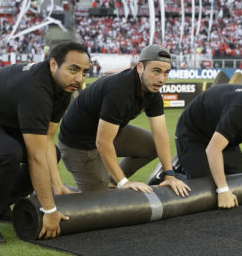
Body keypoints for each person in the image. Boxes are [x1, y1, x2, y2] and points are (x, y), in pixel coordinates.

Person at [0, 41, 92, 244]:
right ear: (53, 64)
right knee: (8, 152)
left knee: (53, 154)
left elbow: (47, 138)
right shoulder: (35, 89)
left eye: (84, 72)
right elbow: (36, 157)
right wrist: (50, 210)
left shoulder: (64, 88)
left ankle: (1, 204)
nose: (79, 78)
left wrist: (57, 185)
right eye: (73, 70)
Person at [57, 44, 191, 197]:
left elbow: (161, 135)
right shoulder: (120, 91)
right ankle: (52, 193)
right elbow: (102, 142)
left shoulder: (153, 92)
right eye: (156, 71)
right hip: (78, 144)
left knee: (152, 145)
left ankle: (112, 181)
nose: (161, 79)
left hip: (107, 133)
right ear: (140, 67)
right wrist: (124, 182)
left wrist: (170, 175)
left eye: (166, 73)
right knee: (100, 200)